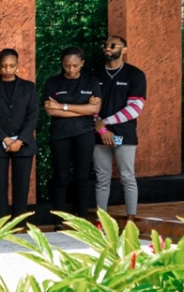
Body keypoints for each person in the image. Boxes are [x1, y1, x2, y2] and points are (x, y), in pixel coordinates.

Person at [43, 46, 102, 227]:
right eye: (67, 65)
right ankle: (59, 221)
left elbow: (94, 109)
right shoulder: (53, 83)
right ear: (62, 63)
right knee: (61, 177)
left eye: (75, 66)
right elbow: (50, 111)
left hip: (84, 135)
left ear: (82, 63)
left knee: (82, 177)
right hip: (60, 135)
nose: (70, 69)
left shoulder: (91, 82)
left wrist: (63, 106)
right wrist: (82, 109)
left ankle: (82, 220)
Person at [0, 48, 38, 221]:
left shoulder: (29, 87)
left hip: (24, 144)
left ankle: (19, 222)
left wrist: (20, 140)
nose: (7, 69)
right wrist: (4, 139)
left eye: (11, 66)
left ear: (17, 66)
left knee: (21, 186)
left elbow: (33, 115)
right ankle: (2, 223)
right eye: (4, 66)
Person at [94, 35, 146, 222]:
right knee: (102, 178)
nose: (108, 48)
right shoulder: (95, 75)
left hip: (124, 135)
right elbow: (90, 105)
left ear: (124, 50)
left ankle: (131, 218)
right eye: (106, 45)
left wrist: (106, 122)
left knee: (127, 176)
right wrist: (101, 129)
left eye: (113, 45)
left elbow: (135, 109)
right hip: (100, 136)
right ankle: (102, 219)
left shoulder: (135, 75)